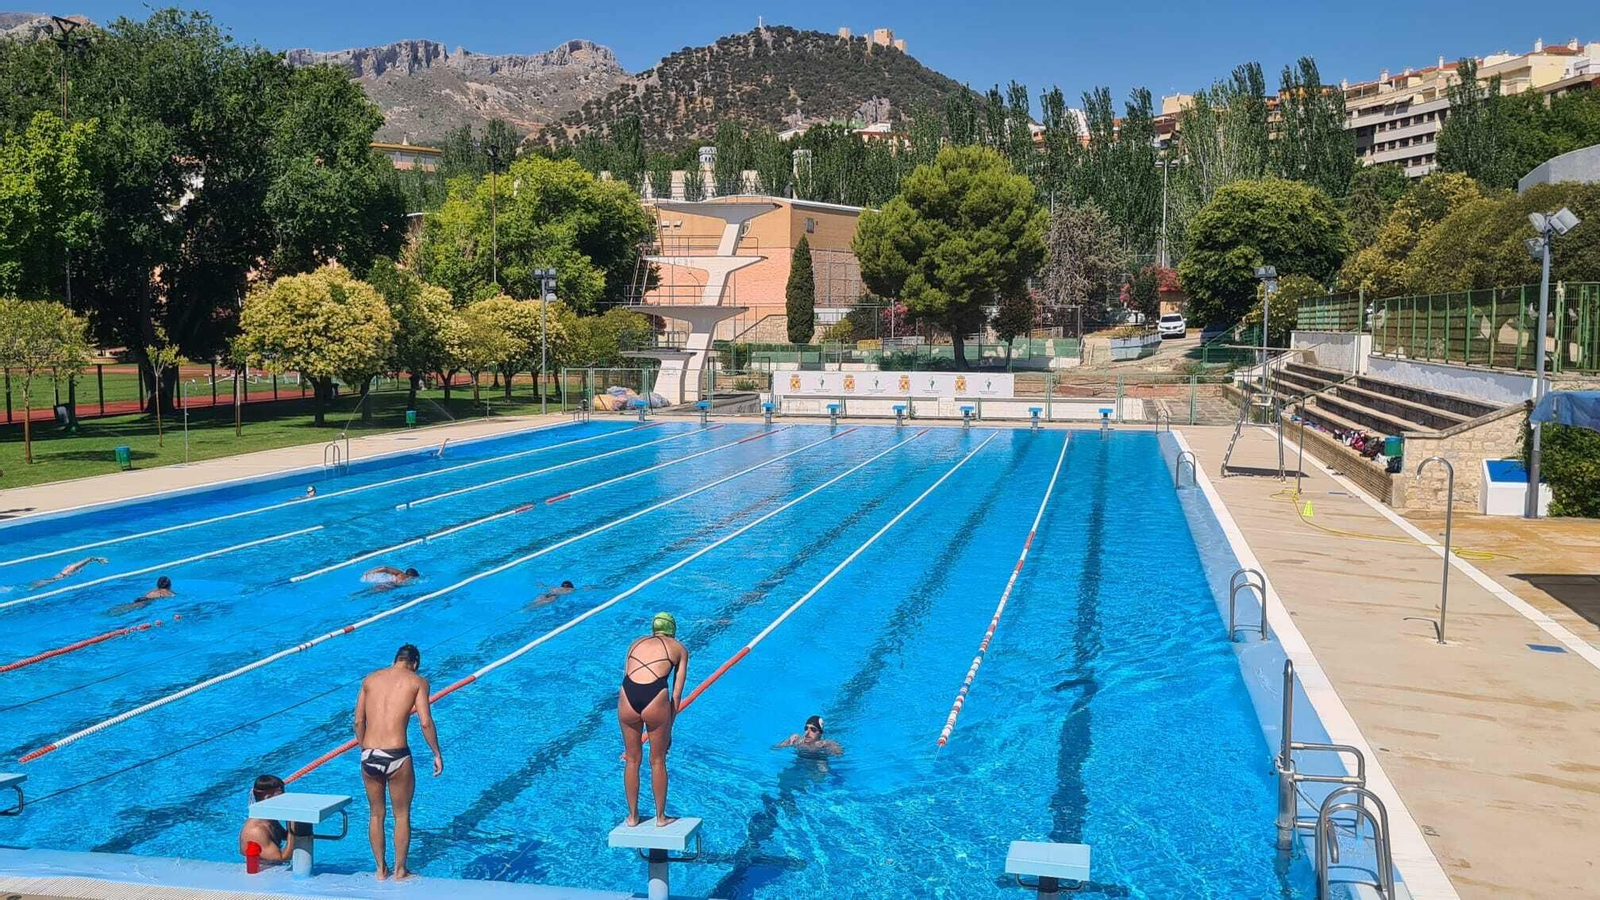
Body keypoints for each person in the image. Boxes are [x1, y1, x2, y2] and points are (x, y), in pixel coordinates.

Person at [354, 643, 443, 881]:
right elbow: (425, 722)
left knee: (375, 814)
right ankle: (400, 871)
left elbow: (358, 721)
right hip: (397, 755)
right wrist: (436, 753)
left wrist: (365, 749)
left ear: (396, 659)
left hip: (369, 754)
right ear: (414, 663)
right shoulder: (417, 681)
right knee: (401, 815)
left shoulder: (370, 679)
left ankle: (380, 870)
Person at [618, 612, 688, 828]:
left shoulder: (635, 643)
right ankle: (660, 818)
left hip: (627, 695)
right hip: (655, 696)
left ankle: (632, 817)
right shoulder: (679, 649)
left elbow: (628, 674)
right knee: (657, 760)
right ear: (672, 630)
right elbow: (676, 696)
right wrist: (668, 731)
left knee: (631, 759)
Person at [239, 774, 294, 864]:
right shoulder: (256, 831)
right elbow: (282, 857)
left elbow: (285, 836)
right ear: (267, 798)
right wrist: (294, 824)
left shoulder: (268, 818)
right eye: (281, 795)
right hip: (262, 872)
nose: (285, 798)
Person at [774, 715, 843, 757]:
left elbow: (839, 754)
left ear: (820, 733)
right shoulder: (798, 741)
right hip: (800, 763)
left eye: (813, 729)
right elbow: (775, 748)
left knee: (821, 775)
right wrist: (788, 741)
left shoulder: (824, 744)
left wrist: (830, 745)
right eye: (806, 728)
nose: (807, 733)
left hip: (819, 762)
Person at [30, 556, 108, 589]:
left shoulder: (72, 568)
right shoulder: (73, 568)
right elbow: (89, 559)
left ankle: (32, 586)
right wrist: (99, 559)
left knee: (40, 583)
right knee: (36, 587)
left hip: (56, 578)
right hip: (57, 578)